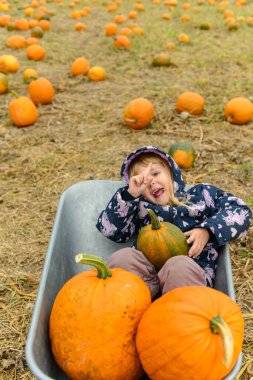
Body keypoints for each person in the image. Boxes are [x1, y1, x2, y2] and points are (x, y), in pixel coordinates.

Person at [96, 146, 252, 299]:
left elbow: (240, 210)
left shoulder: (202, 196)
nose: (151, 182)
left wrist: (207, 231)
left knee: (179, 266)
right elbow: (111, 230)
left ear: (171, 172)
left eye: (156, 173)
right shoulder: (138, 207)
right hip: (147, 282)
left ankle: (177, 315)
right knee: (122, 258)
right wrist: (130, 195)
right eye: (143, 180)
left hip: (188, 279)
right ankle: (135, 308)